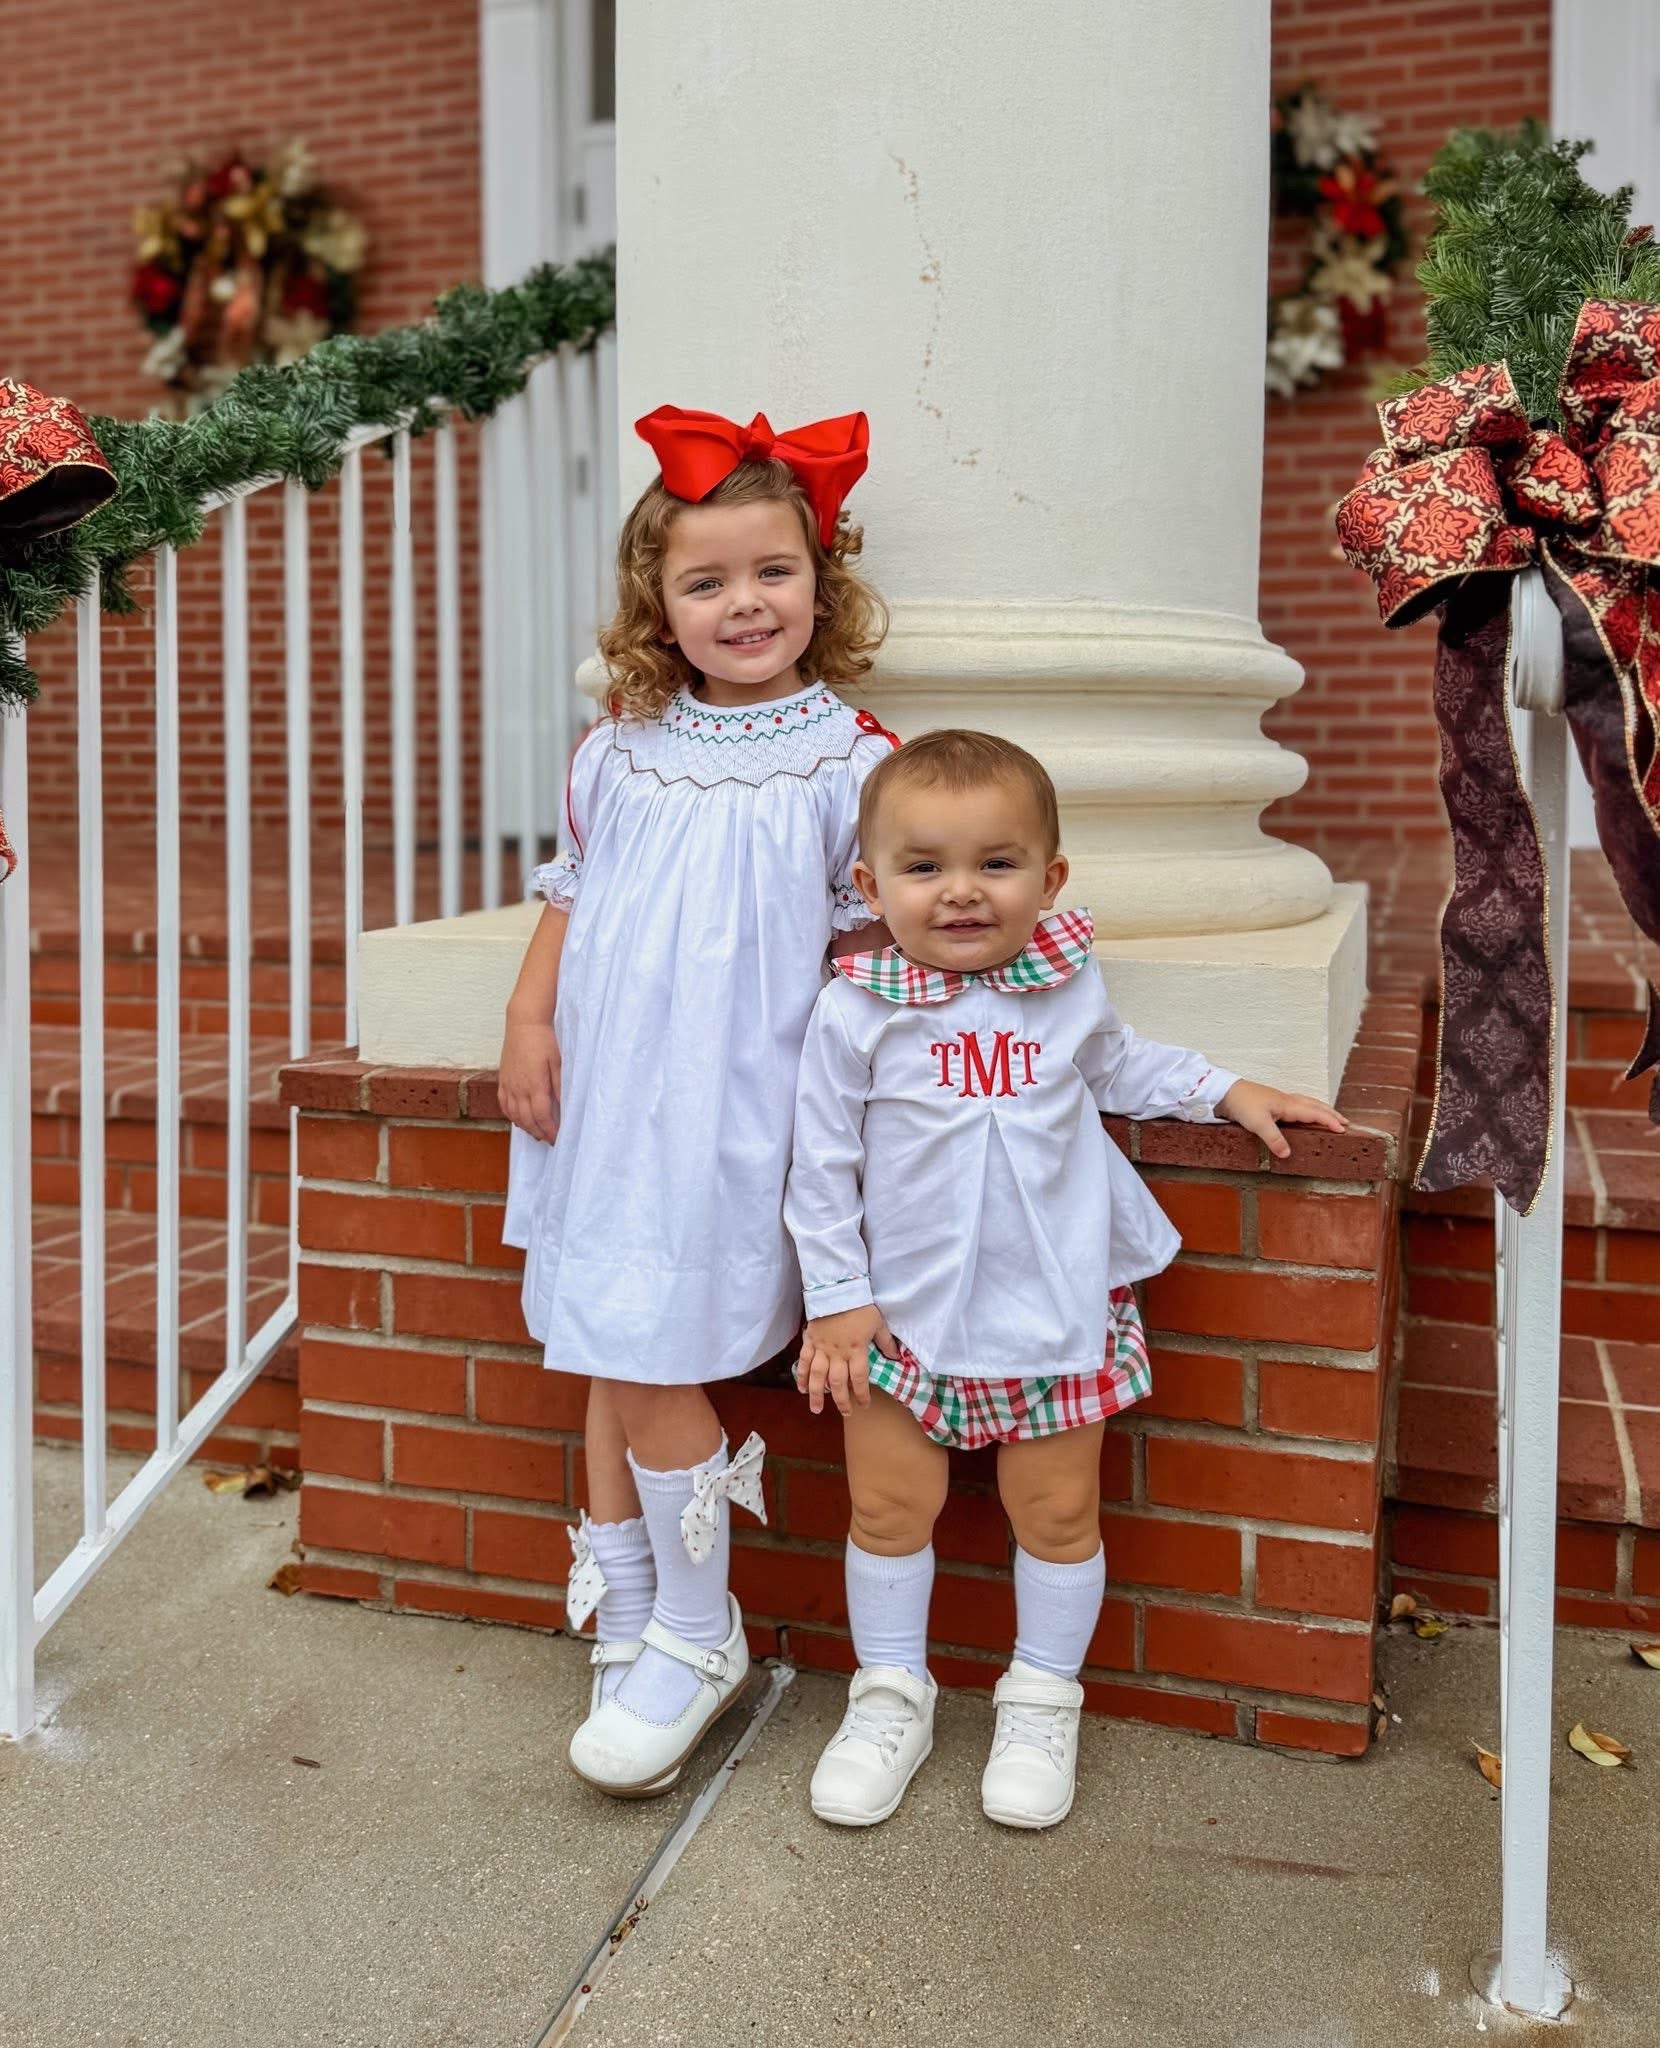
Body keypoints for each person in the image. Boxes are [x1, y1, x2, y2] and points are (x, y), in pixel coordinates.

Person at [785, 729, 1346, 1830]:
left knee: (1055, 1508)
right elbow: (819, 1165)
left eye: (995, 864)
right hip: (899, 1316)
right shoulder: (854, 1010)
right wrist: (837, 1299)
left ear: (1049, 879)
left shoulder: (1064, 984)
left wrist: (1228, 1088)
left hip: (1052, 1303)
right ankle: (890, 1692)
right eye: (923, 865)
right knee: (890, 1505)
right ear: (867, 883)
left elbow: (1123, 1064)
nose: (960, 891)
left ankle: (1041, 1697)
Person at [498, 405, 896, 1798]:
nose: (744, 604)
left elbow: (868, 958)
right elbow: (576, 891)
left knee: (648, 1345)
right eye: (706, 581)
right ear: (658, 607)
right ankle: (627, 1584)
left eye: (772, 573)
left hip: (733, 1112)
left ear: (822, 580)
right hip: (609, 1096)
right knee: (610, 1331)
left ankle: (694, 1623)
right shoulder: (622, 747)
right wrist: (529, 1015)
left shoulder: (850, 762)